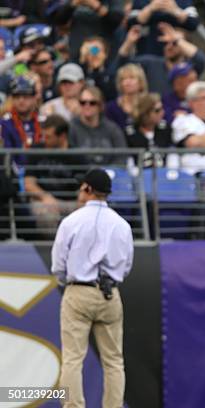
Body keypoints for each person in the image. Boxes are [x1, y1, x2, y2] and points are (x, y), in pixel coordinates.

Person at [51, 167, 133, 408]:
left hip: (79, 290)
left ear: (87, 189)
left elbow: (58, 264)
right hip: (109, 293)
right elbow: (126, 265)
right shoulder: (122, 225)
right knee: (114, 361)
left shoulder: (71, 222)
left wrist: (68, 281)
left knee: (72, 359)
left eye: (81, 186)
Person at [24, 115, 84, 235]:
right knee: (47, 214)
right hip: (42, 199)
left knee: (85, 213)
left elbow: (83, 187)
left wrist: (80, 203)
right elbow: (29, 184)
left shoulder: (77, 156)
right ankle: (51, 251)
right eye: (43, 136)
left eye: (48, 137)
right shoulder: (36, 150)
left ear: (62, 136)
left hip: (70, 202)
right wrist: (46, 197)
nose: (44, 140)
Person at [117, 21, 205, 95]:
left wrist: (177, 40)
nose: (169, 46)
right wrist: (129, 42)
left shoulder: (190, 67)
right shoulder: (151, 63)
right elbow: (124, 63)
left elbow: (201, 59)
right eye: (166, 42)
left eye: (174, 43)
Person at [69, 85, 127, 165]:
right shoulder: (71, 128)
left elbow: (121, 156)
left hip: (109, 174)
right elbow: (69, 158)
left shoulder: (112, 129)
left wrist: (109, 172)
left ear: (100, 106)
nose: (87, 106)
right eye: (83, 103)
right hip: (81, 174)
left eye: (92, 103)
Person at [53, 0, 125, 61]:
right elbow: (59, 20)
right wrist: (73, 4)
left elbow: (116, 21)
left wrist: (96, 6)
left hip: (101, 54)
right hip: (77, 52)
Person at [127, 0, 200, 56]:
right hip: (147, 51)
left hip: (176, 56)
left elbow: (193, 23)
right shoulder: (142, 1)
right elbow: (130, 24)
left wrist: (175, 10)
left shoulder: (182, 1)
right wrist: (150, 8)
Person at [126, 93, 173, 167]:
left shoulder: (166, 129)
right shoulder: (129, 133)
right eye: (157, 110)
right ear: (144, 113)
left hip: (164, 174)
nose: (162, 112)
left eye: (162, 109)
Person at [0, 76, 42, 151]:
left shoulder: (43, 122)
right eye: (17, 96)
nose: (21, 100)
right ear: (12, 99)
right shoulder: (4, 124)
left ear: (34, 98)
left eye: (25, 96)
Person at [105, 63, 148, 134]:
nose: (127, 82)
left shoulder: (148, 105)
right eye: (123, 79)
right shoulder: (111, 108)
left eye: (131, 78)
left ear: (140, 82)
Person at [79, 36, 117, 101]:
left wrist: (97, 70)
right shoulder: (80, 71)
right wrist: (82, 58)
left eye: (96, 50)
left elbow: (109, 95)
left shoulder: (112, 72)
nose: (94, 53)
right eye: (90, 50)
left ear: (105, 54)